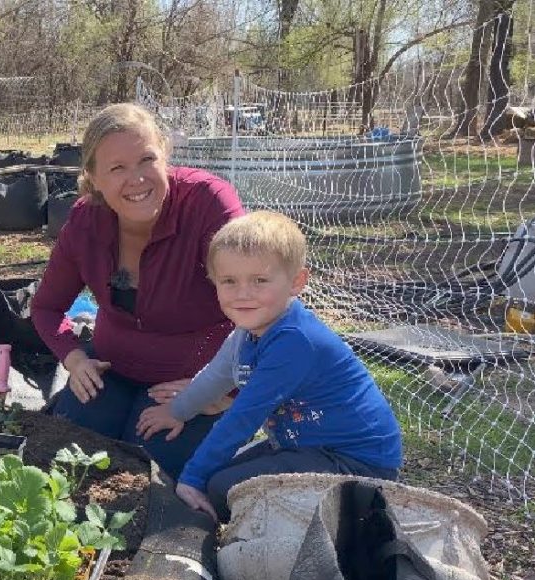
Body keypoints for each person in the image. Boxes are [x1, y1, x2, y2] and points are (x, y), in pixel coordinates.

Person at [137, 211, 403, 520]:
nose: (243, 294)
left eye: (260, 280)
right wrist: (177, 411)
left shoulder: (294, 341)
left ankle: (336, 522)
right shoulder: (247, 332)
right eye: (229, 281)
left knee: (222, 487)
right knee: (220, 475)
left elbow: (242, 418)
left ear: (297, 282)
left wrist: (192, 480)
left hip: (358, 464)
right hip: (304, 447)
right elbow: (216, 376)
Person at [30, 103, 246, 477]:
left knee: (148, 471)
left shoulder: (209, 205)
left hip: (193, 379)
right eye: (117, 168)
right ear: (93, 178)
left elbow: (266, 311)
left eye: (147, 159)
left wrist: (224, 392)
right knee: (71, 455)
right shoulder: (84, 221)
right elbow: (47, 308)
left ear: (166, 156)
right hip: (112, 368)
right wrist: (74, 359)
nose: (137, 179)